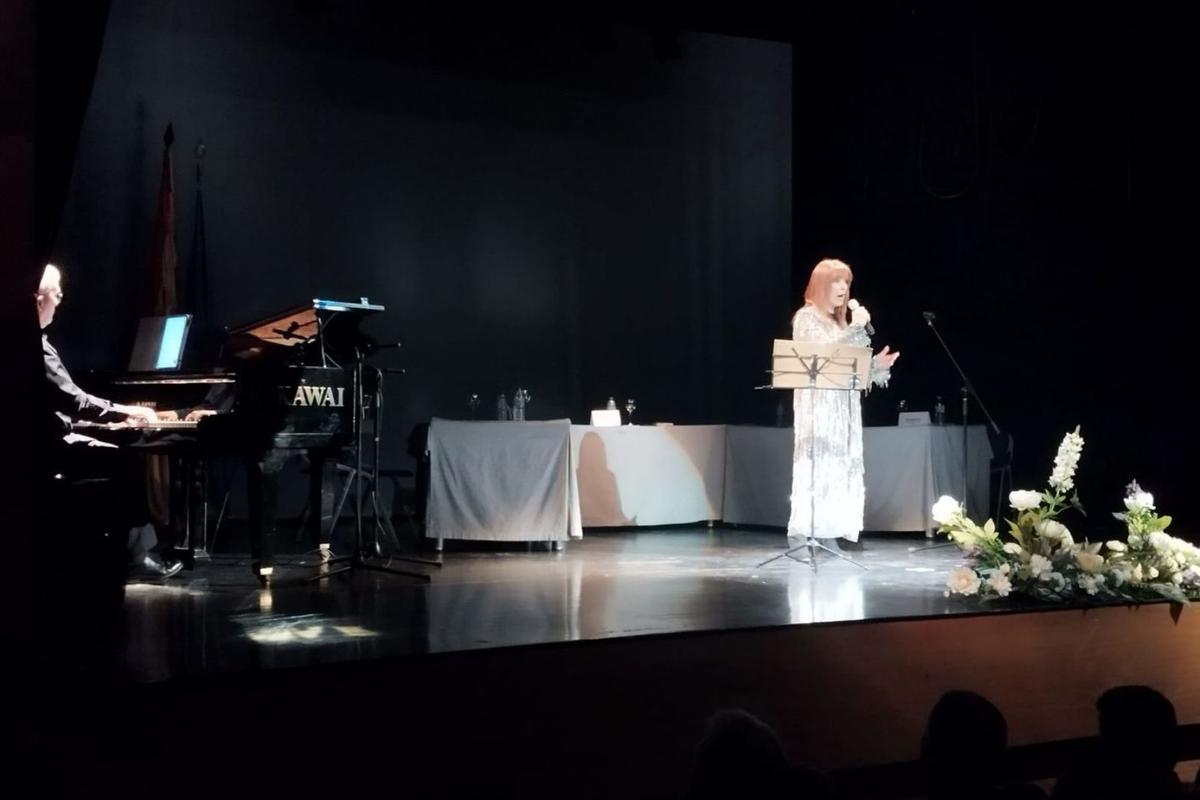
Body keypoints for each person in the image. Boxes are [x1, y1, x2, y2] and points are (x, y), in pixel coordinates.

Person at [38, 263, 183, 578]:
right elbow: (75, 401)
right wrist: (127, 411)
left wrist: (90, 423)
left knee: (115, 455)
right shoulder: (37, 347)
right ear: (38, 299)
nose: (61, 297)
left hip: (41, 440)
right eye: (55, 291)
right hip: (43, 449)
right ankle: (132, 555)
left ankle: (126, 549)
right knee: (121, 461)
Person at [788, 258, 899, 543]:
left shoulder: (839, 324)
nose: (842, 288)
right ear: (821, 284)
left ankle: (831, 533)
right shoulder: (807, 317)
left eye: (846, 282)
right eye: (836, 281)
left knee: (839, 469)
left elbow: (849, 369)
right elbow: (823, 358)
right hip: (819, 410)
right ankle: (812, 536)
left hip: (843, 413)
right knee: (820, 467)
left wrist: (876, 367)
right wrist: (855, 329)